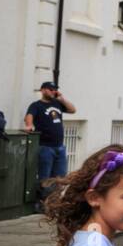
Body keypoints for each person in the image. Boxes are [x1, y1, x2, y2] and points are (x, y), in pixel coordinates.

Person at [24, 82, 76, 210]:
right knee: (45, 178)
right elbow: (29, 116)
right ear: (43, 90)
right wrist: (29, 125)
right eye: (51, 89)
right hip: (45, 147)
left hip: (59, 147)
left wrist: (61, 98)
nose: (53, 92)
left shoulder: (57, 103)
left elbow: (72, 110)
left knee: (59, 178)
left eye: (55, 90)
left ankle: (55, 204)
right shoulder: (37, 105)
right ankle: (42, 204)